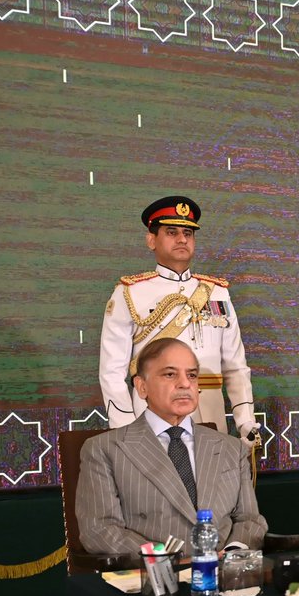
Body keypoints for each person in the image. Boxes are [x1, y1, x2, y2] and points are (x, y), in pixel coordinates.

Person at [78, 337, 267, 555]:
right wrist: (166, 558)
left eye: (192, 375)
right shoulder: (105, 450)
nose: (185, 384)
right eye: (170, 374)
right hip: (154, 580)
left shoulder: (231, 448)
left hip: (223, 576)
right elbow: (99, 531)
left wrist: (232, 555)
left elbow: (250, 520)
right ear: (142, 386)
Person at [99, 195, 258, 443]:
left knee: (210, 480)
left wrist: (245, 420)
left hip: (210, 412)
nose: (182, 239)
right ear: (151, 240)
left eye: (188, 233)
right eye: (171, 232)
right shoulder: (129, 293)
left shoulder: (217, 292)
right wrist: (126, 428)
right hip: (152, 413)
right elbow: (111, 372)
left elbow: (235, 366)